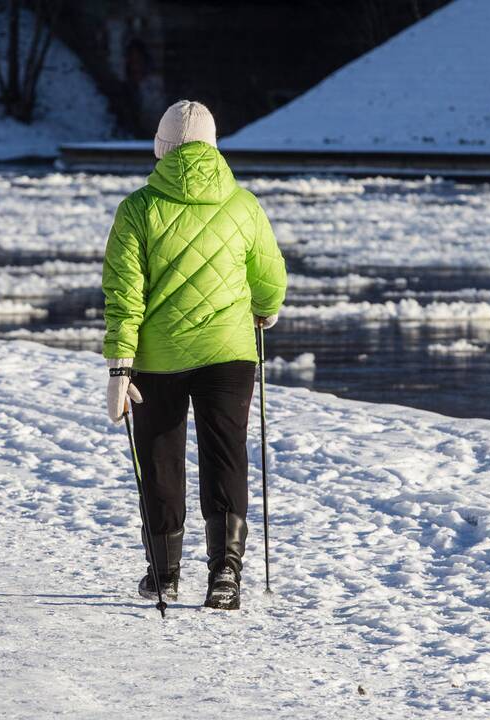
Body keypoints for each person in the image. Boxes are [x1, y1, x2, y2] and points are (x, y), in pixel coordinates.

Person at [102, 100, 286, 610]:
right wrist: (265, 310)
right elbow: (270, 279)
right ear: (213, 146)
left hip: (158, 357)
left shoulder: (138, 209)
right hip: (230, 352)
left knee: (160, 458)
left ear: (161, 149)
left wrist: (120, 365)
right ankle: (225, 573)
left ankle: (164, 573)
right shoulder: (243, 205)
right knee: (226, 454)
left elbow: (124, 295)